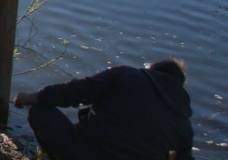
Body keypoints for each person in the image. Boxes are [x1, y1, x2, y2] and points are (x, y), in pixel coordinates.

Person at [14, 58, 194, 160]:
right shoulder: (184, 126)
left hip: (83, 155)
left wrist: (28, 98)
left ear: (152, 70)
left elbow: (73, 92)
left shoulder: (126, 76)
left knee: (41, 110)